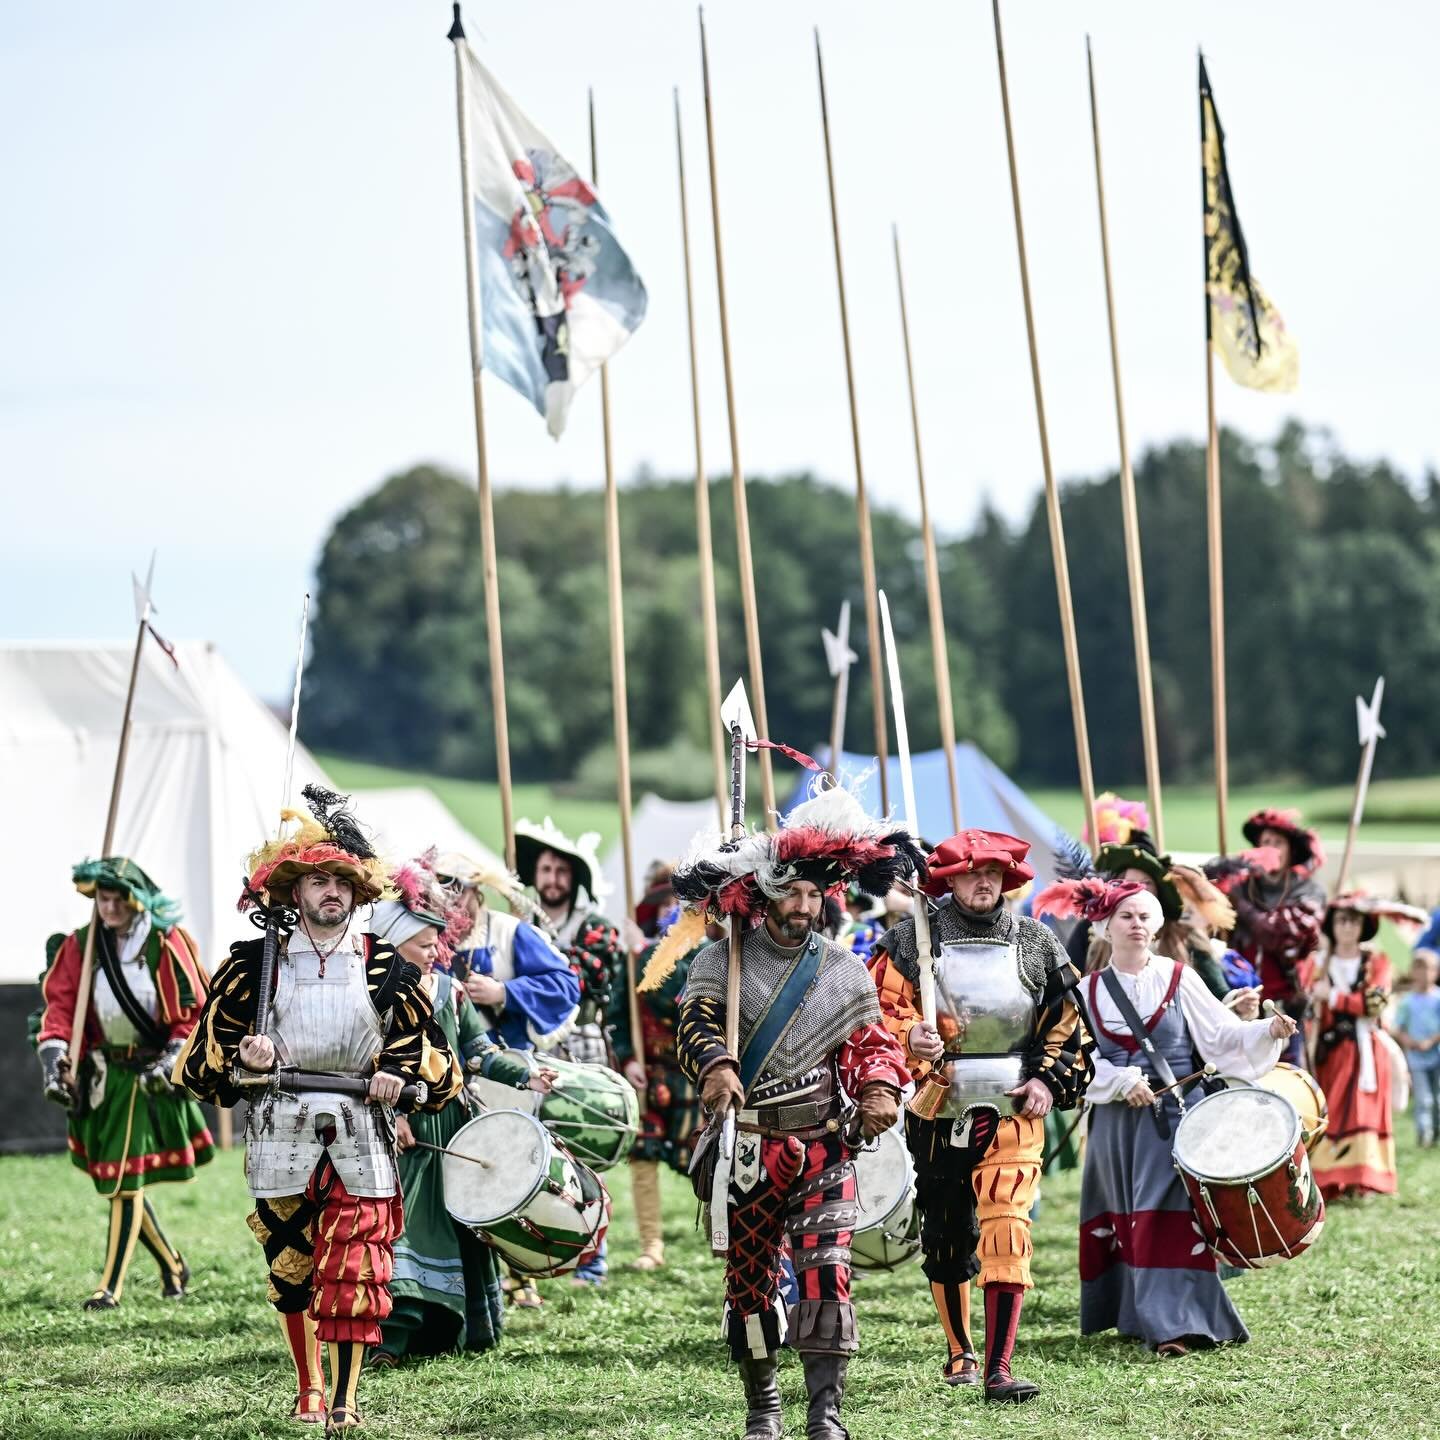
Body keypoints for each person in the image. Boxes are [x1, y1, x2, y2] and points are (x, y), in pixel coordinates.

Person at [176, 787, 461, 1431]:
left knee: (356, 1270)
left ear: (359, 894)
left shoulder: (388, 969)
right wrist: (243, 1062)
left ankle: (345, 1399)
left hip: (364, 1135)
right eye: (316, 880)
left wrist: (397, 1073)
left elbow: (441, 1072)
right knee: (293, 1268)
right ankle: (308, 1387)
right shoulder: (252, 967)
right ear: (293, 891)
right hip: (280, 1131)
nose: (330, 890)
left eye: (341, 880)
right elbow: (197, 1066)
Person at [672, 785, 917, 1440]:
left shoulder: (844, 970)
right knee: (749, 1288)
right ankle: (762, 1406)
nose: (804, 905)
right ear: (765, 893)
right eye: (793, 893)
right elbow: (693, 1028)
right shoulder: (718, 961)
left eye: (814, 895)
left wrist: (878, 1089)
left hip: (824, 1145)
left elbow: (874, 1046)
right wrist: (717, 1067)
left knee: (827, 1276)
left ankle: (825, 1414)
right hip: (750, 1147)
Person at [867, 829, 1092, 1402]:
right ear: (949, 880)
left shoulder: (1038, 943)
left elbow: (1069, 1024)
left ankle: (1000, 1366)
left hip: (1015, 1103)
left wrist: (1047, 1078)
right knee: (946, 1233)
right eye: (971, 873)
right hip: (936, 1101)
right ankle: (960, 1351)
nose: (983, 882)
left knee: (1008, 1225)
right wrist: (908, 1040)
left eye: (993, 873)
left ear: (1008, 879)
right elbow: (874, 1017)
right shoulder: (910, 940)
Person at [1037, 878, 1295, 1356]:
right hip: (1117, 1125)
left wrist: (1267, 1030)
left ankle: (1173, 1325)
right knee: (1127, 1217)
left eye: (1145, 917)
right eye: (1126, 917)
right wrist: (1119, 1082)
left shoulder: (1181, 978)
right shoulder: (1087, 991)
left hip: (1177, 1118)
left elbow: (1222, 1039)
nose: (1137, 925)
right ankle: (1139, 1315)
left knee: (1168, 1213)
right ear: (1103, 928)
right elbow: (1077, 1061)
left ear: (1157, 927)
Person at [370, 856, 558, 1365]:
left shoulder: (449, 993)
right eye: (425, 945)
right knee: (405, 1227)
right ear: (392, 944)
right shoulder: (370, 998)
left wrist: (526, 1075)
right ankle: (390, 1338)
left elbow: (476, 1052)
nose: (436, 953)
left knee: (455, 1227)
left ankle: (442, 1332)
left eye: (437, 944)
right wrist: (397, 1115)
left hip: (452, 1128)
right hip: (396, 1130)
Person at [34, 857, 214, 1310]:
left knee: (123, 1182)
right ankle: (173, 1264)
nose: (108, 908)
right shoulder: (83, 944)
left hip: (151, 1075)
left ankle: (109, 1288)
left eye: (116, 898)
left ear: (135, 900)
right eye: (101, 898)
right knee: (119, 1179)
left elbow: (193, 1011)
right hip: (105, 1074)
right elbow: (60, 1006)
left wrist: (174, 1059)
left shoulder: (165, 943)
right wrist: (56, 1059)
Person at [515, 817, 627, 1286]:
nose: (554, 879)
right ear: (534, 874)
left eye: (562, 871)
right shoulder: (516, 922)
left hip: (579, 1044)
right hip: (527, 1048)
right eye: (546, 870)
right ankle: (531, 1260)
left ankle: (591, 1259)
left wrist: (529, 967)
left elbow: (581, 980)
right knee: (525, 1151)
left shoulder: (595, 928)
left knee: (582, 1154)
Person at [611, 900, 721, 1271]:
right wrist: (627, 1058)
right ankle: (651, 1245)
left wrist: (641, 950)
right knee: (642, 1156)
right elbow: (619, 1017)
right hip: (650, 1077)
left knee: (711, 1162)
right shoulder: (632, 957)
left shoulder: (708, 955)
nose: (670, 915)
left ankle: (721, 1236)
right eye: (664, 906)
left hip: (696, 1075)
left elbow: (677, 997)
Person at [1210, 808, 1326, 1065]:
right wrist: (1221, 880)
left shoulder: (1309, 892)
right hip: (1242, 1003)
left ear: (1290, 851)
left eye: (1278, 843)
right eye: (1265, 842)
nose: (1271, 849)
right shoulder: (1241, 886)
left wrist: (1239, 903)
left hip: (1286, 1006)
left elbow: (1276, 933)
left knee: (1287, 1079)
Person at [434, 851, 580, 1054]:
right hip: (446, 1068)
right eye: (443, 893)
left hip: (509, 1067)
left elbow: (565, 986)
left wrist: (502, 992)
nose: (451, 900)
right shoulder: (427, 937)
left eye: (458, 890)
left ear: (474, 888)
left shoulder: (509, 931)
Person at [1310, 894, 1398, 1198]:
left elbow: (1375, 1002)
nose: (1347, 927)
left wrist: (1334, 997)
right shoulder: (1319, 964)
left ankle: (1364, 1178)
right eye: (1341, 920)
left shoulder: (1377, 962)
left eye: (1354, 921)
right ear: (1333, 925)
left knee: (1365, 1111)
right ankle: (1331, 1177)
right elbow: (1309, 1003)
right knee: (1330, 1109)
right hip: (1332, 1051)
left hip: (1366, 1050)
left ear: (1363, 926)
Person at [1395, 949, 1440, 1148]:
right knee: (1424, 1099)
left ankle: (1436, 1132)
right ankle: (1424, 1135)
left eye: (1428, 969)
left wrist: (1431, 1041)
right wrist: (1410, 1041)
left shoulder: (1438, 998)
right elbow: (1398, 1028)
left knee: (1438, 1098)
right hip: (1417, 1059)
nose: (1423, 974)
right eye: (1419, 969)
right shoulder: (1407, 1002)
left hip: (1436, 1055)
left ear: (1436, 972)